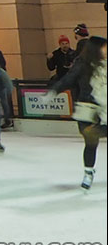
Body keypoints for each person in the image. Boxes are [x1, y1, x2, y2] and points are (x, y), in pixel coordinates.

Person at [48, 36, 106, 189]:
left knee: (94, 135)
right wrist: (53, 91)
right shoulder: (83, 65)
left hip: (104, 108)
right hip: (88, 109)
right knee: (91, 141)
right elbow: (68, 79)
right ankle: (88, 172)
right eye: (104, 47)